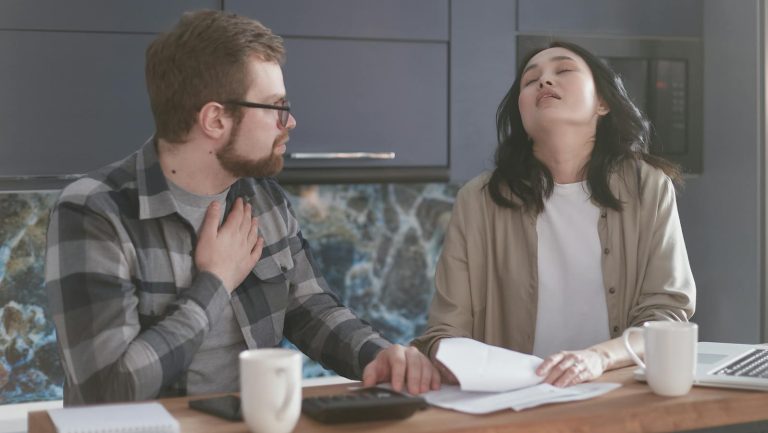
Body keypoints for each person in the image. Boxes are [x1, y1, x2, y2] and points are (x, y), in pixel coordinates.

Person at [46, 10, 438, 406]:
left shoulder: (261, 196)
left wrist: (377, 354)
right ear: (215, 119)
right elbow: (107, 389)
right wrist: (215, 283)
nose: (291, 122)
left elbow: (309, 305)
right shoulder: (94, 211)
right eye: (276, 106)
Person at [412, 41, 696, 387]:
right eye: (530, 81)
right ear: (521, 112)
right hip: (511, 402)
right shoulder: (478, 200)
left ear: (602, 102)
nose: (544, 82)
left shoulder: (647, 185)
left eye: (563, 71)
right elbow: (445, 331)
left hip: (616, 394)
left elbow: (666, 313)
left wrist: (598, 358)